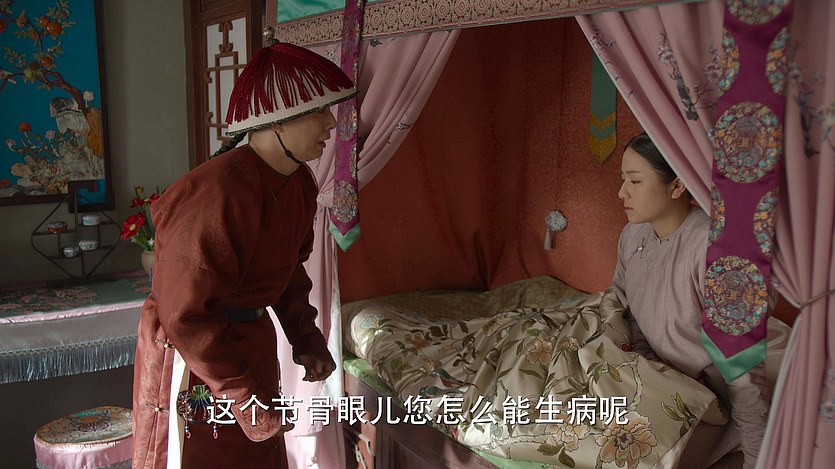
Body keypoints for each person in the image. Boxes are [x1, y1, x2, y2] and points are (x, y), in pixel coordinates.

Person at [132, 27, 356, 469]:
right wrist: (243, 398)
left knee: (261, 455)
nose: (331, 124)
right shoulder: (213, 194)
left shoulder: (299, 183)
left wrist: (305, 337)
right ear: (278, 118)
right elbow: (184, 315)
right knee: (209, 457)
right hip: (196, 360)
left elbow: (288, 269)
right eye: (319, 112)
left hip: (251, 344)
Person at [606, 133, 769, 469]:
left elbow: (742, 370)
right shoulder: (633, 235)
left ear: (677, 185)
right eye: (623, 180)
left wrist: (758, 458)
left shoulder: (715, 252)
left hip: (705, 399)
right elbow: (623, 305)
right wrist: (646, 362)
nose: (622, 193)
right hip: (651, 375)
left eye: (634, 181)